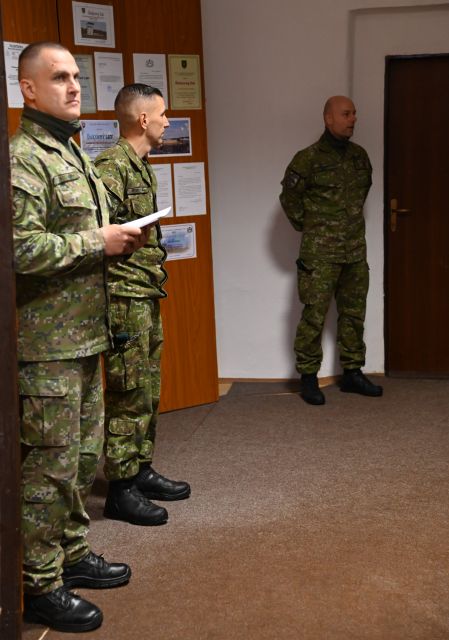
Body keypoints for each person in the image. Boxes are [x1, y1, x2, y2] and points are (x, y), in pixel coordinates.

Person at [12, 42, 148, 633]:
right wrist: (99, 241)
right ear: (28, 89)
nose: (74, 87)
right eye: (59, 77)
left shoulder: (72, 150)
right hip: (47, 347)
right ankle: (40, 583)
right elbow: (19, 249)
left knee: (80, 460)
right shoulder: (23, 159)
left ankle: (70, 554)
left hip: (86, 335)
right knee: (48, 468)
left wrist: (120, 238)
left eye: (76, 77)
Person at [94, 84, 190, 527]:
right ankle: (120, 488)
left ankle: (140, 467)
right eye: (163, 114)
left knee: (148, 387)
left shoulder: (140, 165)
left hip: (145, 290)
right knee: (128, 389)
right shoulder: (111, 167)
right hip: (123, 295)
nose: (168, 121)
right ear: (144, 119)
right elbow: (97, 235)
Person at [279, 95, 383, 405]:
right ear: (328, 118)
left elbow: (361, 193)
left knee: (354, 314)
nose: (353, 119)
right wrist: (313, 228)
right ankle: (308, 377)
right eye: (346, 114)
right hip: (320, 255)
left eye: (354, 114)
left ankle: (352, 372)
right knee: (314, 316)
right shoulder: (307, 159)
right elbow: (289, 198)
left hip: (354, 251)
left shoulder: (360, 156)